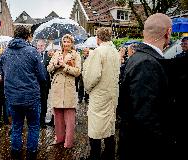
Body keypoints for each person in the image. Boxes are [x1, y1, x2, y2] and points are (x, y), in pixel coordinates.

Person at [118, 13, 175, 160]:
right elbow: (145, 118)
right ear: (168, 32)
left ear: (144, 32)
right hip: (144, 149)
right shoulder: (147, 63)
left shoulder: (137, 57)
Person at [0, 26, 46, 160]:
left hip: (12, 98)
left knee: (16, 126)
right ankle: (31, 154)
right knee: (33, 125)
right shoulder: (33, 52)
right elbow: (42, 75)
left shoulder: (6, 52)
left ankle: (15, 153)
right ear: (27, 36)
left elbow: (0, 68)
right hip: (31, 97)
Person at [82, 27, 120, 160]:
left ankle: (94, 155)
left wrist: (87, 88)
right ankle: (109, 153)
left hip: (99, 95)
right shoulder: (115, 51)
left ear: (98, 38)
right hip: (112, 94)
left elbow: (93, 76)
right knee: (109, 124)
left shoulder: (98, 52)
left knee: (96, 127)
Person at [47, 34, 81, 148]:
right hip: (57, 87)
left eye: (68, 42)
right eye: (64, 41)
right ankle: (59, 138)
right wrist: (57, 65)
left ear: (72, 43)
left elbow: (77, 72)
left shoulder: (76, 55)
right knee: (57, 116)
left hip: (68, 87)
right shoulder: (57, 53)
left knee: (69, 117)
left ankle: (68, 142)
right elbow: (49, 68)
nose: (66, 44)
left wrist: (65, 66)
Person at [36, 39, 48, 129]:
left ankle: (42, 120)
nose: (40, 47)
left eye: (41, 46)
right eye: (38, 46)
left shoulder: (48, 56)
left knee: (44, 102)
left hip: (45, 84)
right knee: (36, 102)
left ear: (44, 46)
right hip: (36, 84)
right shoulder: (34, 55)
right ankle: (36, 119)